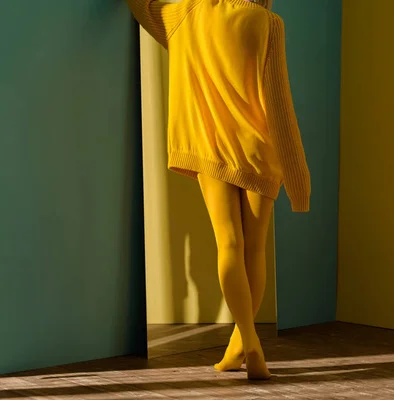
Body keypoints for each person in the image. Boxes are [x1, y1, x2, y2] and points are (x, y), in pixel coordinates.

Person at [126, 0, 311, 380]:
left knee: (228, 244)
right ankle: (245, 343)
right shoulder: (266, 23)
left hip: (209, 145)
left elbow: (140, 6)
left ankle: (245, 343)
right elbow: (278, 102)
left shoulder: (186, 13)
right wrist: (298, 176)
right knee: (255, 250)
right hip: (260, 151)